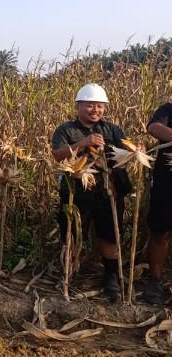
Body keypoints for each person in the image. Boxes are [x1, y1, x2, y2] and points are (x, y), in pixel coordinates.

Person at [51, 83, 131, 302]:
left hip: (108, 193)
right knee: (73, 235)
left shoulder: (112, 130)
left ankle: (111, 277)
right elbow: (58, 156)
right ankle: (68, 276)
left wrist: (135, 151)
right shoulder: (66, 130)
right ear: (78, 106)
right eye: (90, 106)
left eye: (100, 106)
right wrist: (83, 143)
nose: (96, 110)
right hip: (76, 193)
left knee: (110, 235)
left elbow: (124, 153)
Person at [143, 102, 172, 304]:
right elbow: (153, 127)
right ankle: (154, 280)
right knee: (160, 230)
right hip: (166, 180)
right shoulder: (168, 109)